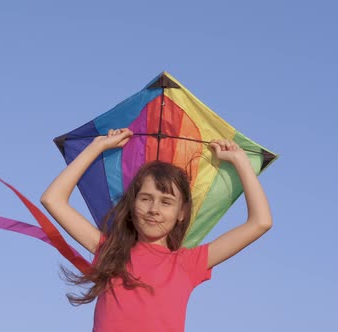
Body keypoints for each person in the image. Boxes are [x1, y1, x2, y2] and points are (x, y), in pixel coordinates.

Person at [40, 128, 272, 332]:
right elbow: (53, 199)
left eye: (166, 201)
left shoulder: (187, 263)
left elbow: (260, 222)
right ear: (132, 205)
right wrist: (97, 146)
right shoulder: (109, 251)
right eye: (145, 199)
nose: (154, 209)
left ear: (181, 213)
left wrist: (240, 160)